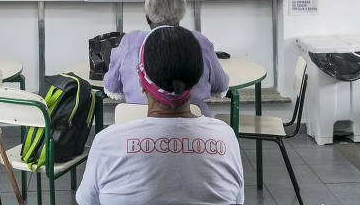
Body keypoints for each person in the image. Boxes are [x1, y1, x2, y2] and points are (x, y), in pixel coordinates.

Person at [77, 25, 244, 205]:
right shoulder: (226, 139)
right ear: (196, 81)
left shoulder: (107, 144)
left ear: (141, 81)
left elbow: (87, 201)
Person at [103, 0, 229, 116]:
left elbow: (112, 87)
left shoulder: (130, 41)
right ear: (180, 15)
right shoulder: (199, 41)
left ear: (148, 18)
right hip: (194, 125)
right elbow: (220, 86)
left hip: (135, 122)